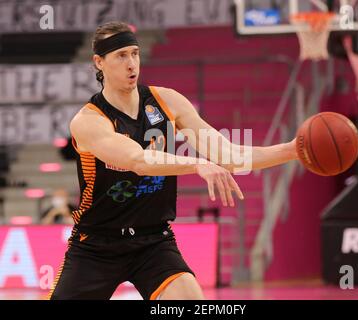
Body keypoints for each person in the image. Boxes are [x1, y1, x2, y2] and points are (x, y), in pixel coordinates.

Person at [48, 21, 298, 300]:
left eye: (135, 53)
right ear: (99, 62)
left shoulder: (166, 101)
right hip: (96, 245)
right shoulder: (88, 121)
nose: (132, 63)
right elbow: (138, 160)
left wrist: (293, 150)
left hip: (153, 241)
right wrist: (196, 163)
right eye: (121, 56)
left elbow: (229, 155)